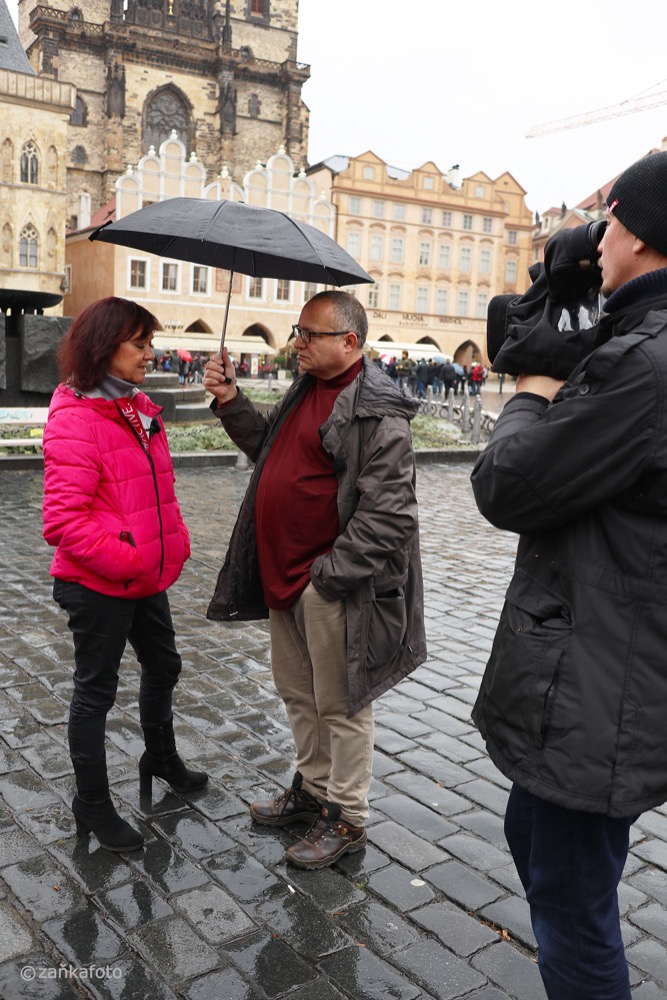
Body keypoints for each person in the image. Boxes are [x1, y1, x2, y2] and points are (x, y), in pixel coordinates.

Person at [469, 150, 667, 999]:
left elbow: (507, 484)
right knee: (545, 847)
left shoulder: (644, 362)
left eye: (612, 223)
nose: (602, 238)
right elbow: (523, 329)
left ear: (642, 235)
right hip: (613, 661)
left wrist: (530, 392)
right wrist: (560, 291)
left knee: (570, 897)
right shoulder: (635, 339)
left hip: (601, 675)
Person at [203, 290, 426, 870]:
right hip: (284, 575)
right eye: (298, 331)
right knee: (299, 694)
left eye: (309, 334)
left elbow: (389, 515)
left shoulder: (378, 410)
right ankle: (313, 788)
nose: (296, 342)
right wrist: (230, 400)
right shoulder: (307, 389)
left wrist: (326, 578)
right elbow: (267, 447)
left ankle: (347, 817)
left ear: (349, 342)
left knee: (343, 705)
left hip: (329, 586)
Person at [42, 297, 207, 853]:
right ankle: (91, 802)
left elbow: (159, 492)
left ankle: (159, 758)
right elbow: (64, 522)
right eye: (139, 344)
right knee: (96, 694)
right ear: (104, 347)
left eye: (149, 342)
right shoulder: (76, 418)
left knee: (164, 664)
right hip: (98, 582)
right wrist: (133, 556)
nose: (149, 353)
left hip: (142, 577)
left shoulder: (137, 408)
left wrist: (170, 545)